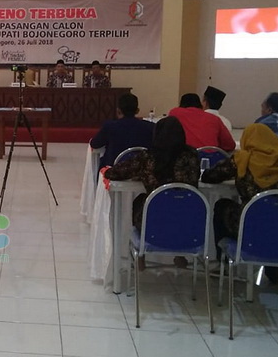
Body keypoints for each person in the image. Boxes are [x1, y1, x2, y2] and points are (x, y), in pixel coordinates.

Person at [202, 123, 278, 284]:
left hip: (251, 226)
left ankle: (224, 264)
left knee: (222, 206)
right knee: (275, 215)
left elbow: (209, 176)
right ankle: (275, 271)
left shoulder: (243, 159)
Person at [104, 116, 200, 268]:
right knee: (180, 205)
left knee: (141, 201)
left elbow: (115, 173)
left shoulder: (148, 157)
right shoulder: (192, 155)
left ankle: (141, 254)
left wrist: (141, 174)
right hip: (188, 224)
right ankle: (180, 253)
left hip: (154, 223)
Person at [90, 93, 155, 168]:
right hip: (142, 169)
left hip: (114, 169)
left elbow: (95, 144)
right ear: (137, 111)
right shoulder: (150, 127)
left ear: (118, 110)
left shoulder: (110, 126)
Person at [169, 93, 235, 152]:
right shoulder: (215, 119)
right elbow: (230, 145)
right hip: (210, 158)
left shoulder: (175, 113)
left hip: (186, 157)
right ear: (200, 105)